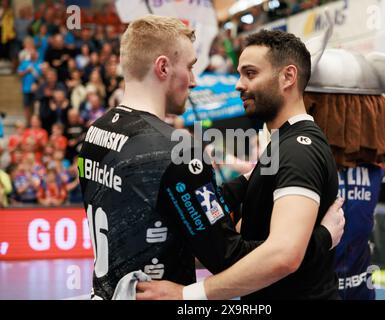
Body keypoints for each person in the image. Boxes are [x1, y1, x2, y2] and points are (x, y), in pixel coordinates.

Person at [78, 16, 344, 300]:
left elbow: (171, 209)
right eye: (191, 67)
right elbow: (229, 256)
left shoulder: (96, 133)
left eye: (250, 74)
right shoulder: (175, 152)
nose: (194, 81)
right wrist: (322, 238)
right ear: (163, 67)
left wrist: (249, 177)